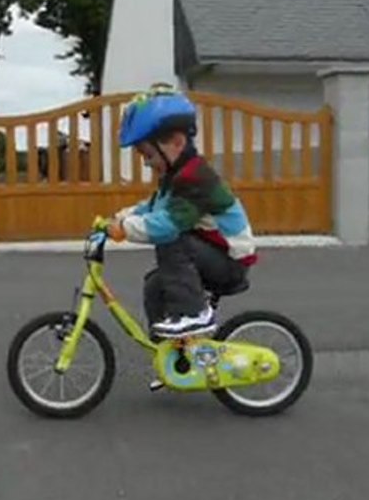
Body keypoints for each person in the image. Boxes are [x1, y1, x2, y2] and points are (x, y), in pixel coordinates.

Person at [106, 84, 257, 339]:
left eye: (148, 154)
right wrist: (120, 218)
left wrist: (125, 229)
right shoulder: (175, 177)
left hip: (230, 261)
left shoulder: (196, 178)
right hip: (210, 254)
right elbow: (152, 208)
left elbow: (168, 224)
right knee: (156, 285)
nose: (145, 161)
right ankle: (175, 362)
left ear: (176, 143)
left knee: (172, 239)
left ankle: (194, 314)